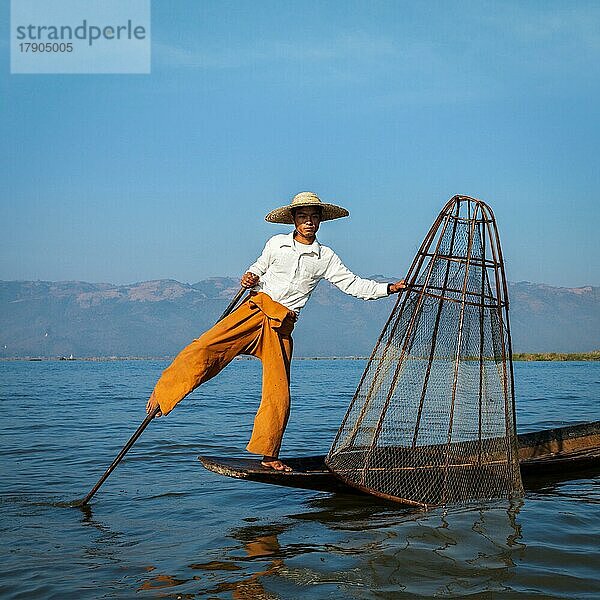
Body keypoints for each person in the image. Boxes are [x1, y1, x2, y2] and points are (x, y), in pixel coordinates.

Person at [146, 192, 405, 471]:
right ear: (293, 220)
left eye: (314, 217)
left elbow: (354, 285)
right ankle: (163, 394)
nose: (309, 222)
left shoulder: (325, 257)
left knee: (278, 391)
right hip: (254, 310)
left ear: (320, 221)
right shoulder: (276, 244)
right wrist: (250, 276)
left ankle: (269, 455)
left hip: (281, 325)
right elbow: (257, 268)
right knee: (205, 347)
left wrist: (389, 288)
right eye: (303, 216)